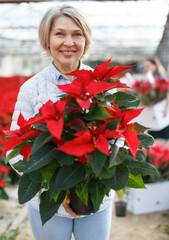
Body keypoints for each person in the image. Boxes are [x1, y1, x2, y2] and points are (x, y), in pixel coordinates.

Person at [9, 5, 114, 240]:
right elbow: (15, 150)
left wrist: (97, 175)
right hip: (49, 201)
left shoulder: (101, 84)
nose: (69, 42)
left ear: (86, 40)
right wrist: (53, 187)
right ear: (47, 39)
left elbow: (119, 142)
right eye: (60, 33)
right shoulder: (31, 88)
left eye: (77, 34)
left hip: (94, 199)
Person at [143, 57, 169, 139]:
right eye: (145, 66)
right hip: (154, 112)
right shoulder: (150, 78)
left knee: (163, 136)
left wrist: (167, 108)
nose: (146, 68)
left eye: (148, 66)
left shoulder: (161, 78)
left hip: (162, 112)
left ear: (155, 66)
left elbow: (168, 94)